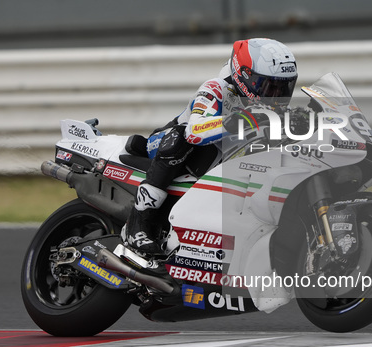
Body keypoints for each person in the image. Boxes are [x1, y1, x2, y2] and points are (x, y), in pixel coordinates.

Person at [122, 38, 298, 256]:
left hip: (217, 162)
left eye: (284, 87)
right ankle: (138, 223)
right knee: (179, 138)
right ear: (245, 76)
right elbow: (194, 131)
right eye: (270, 87)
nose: (277, 96)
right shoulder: (216, 88)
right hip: (165, 143)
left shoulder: (269, 107)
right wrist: (240, 119)